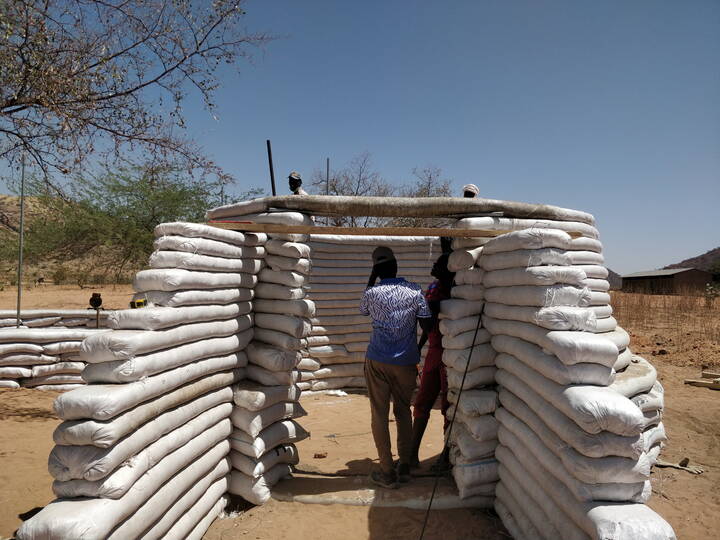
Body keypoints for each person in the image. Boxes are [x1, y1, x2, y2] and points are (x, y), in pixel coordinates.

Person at [360, 246, 433, 488]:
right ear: (396, 268)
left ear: (377, 270)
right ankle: (404, 466)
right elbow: (427, 324)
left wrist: (372, 277)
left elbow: (363, 311)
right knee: (403, 412)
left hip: (378, 359)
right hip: (405, 361)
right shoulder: (414, 291)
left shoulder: (372, 293)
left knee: (379, 414)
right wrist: (415, 347)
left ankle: (387, 472)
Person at [410, 253, 455, 469]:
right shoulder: (433, 288)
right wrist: (419, 348)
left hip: (451, 353)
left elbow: (432, 312)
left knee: (449, 405)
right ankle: (412, 453)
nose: (433, 266)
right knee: (422, 401)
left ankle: (446, 456)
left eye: (438, 264)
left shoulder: (457, 290)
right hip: (434, 351)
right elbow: (427, 326)